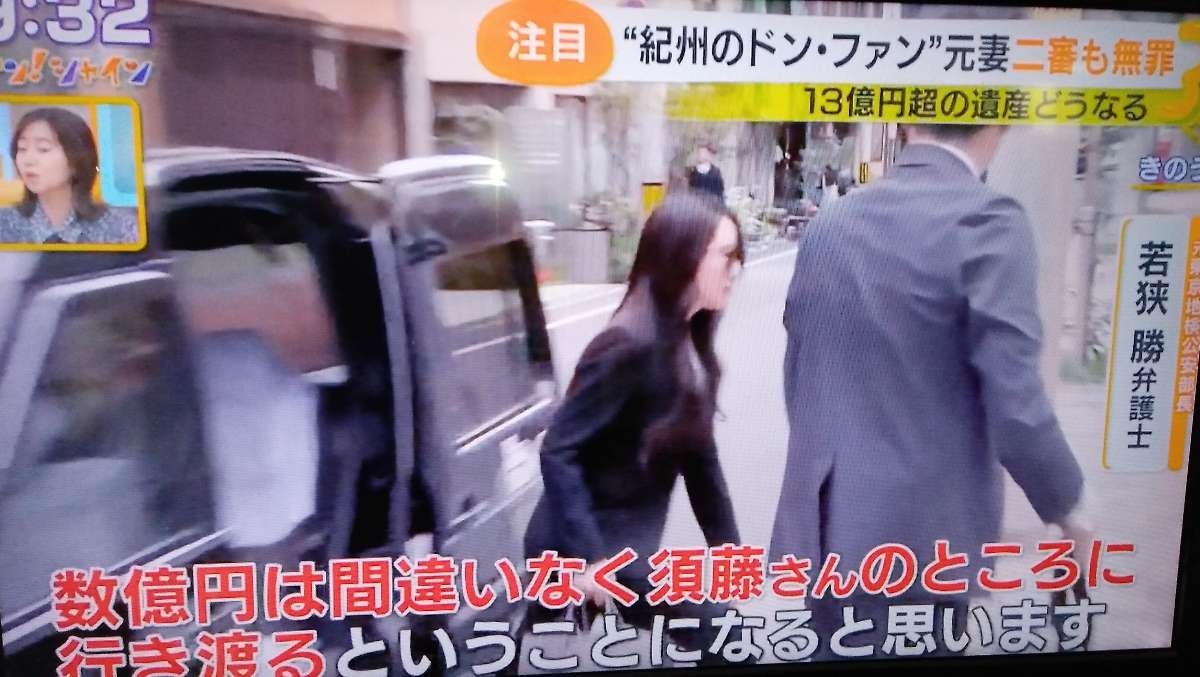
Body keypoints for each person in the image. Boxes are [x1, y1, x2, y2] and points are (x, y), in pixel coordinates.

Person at [770, 123, 1091, 659]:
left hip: (827, 536)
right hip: (922, 545)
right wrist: (1069, 507)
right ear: (998, 124)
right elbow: (1016, 405)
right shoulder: (987, 221)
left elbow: (801, 382)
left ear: (907, 123)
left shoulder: (831, 224)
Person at [518, 193, 745, 668]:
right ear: (684, 257)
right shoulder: (627, 343)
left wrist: (731, 556)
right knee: (724, 637)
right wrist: (589, 559)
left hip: (626, 545)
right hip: (580, 544)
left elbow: (702, 465)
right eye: (726, 255)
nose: (736, 268)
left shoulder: (688, 341)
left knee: (725, 635)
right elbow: (559, 450)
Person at [0, 108, 138, 245]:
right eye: (22, 148)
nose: (28, 160)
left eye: (43, 149)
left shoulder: (120, 227)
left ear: (76, 160)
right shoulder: (5, 225)